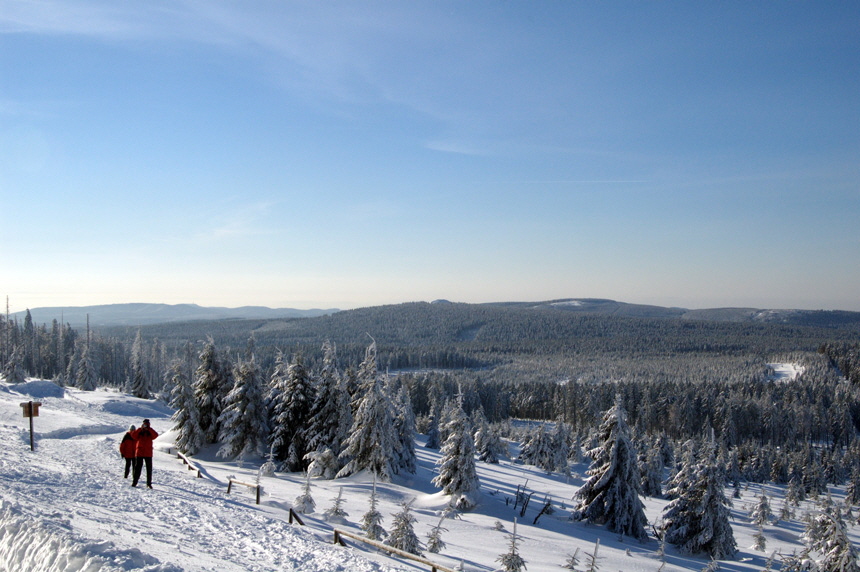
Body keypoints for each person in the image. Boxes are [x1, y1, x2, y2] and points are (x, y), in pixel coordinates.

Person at [131, 419, 159, 488]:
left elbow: (155, 435)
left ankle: (149, 483)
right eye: (144, 424)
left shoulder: (150, 432)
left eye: (146, 424)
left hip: (148, 453)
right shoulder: (140, 431)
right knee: (137, 468)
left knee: (149, 469)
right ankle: (135, 482)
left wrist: (149, 429)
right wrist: (140, 429)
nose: (145, 425)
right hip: (140, 453)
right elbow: (133, 436)